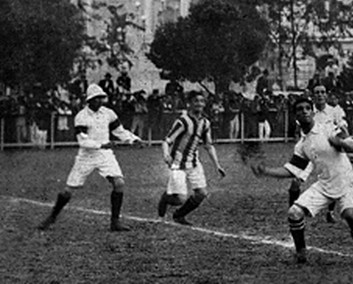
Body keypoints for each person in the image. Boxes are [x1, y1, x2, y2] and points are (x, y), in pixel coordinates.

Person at [251, 96, 353, 265]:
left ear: (312, 112)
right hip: (324, 184)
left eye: (307, 108)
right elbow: (292, 169)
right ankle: (301, 252)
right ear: (295, 116)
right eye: (300, 109)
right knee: (294, 213)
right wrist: (266, 171)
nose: (304, 111)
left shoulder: (328, 128)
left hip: (345, 182)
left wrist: (340, 142)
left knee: (351, 216)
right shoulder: (302, 144)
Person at [38, 83, 142, 232]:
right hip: (86, 156)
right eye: (96, 98)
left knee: (119, 183)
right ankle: (52, 217)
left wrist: (133, 139)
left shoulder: (108, 113)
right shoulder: (81, 116)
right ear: (90, 100)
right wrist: (101, 144)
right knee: (68, 190)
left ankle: (115, 222)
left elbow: (119, 131)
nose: (100, 101)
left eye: (101, 98)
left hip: (104, 154)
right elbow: (83, 141)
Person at [157, 91, 226, 225]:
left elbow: (208, 145)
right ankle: (165, 198)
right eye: (196, 101)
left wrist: (217, 165)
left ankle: (179, 215)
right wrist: (166, 155)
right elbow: (166, 141)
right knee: (180, 199)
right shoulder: (183, 121)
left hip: (194, 162)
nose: (199, 104)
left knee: (201, 194)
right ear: (190, 103)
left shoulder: (205, 123)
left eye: (201, 101)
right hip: (178, 163)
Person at [288, 84, 347, 206]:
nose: (320, 95)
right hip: (310, 151)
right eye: (317, 92)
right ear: (312, 95)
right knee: (295, 181)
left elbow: (344, 130)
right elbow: (299, 131)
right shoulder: (307, 110)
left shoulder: (334, 111)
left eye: (322, 92)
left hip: (327, 152)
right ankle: (292, 210)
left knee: (332, 181)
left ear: (326, 95)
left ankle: (330, 212)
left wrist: (347, 149)